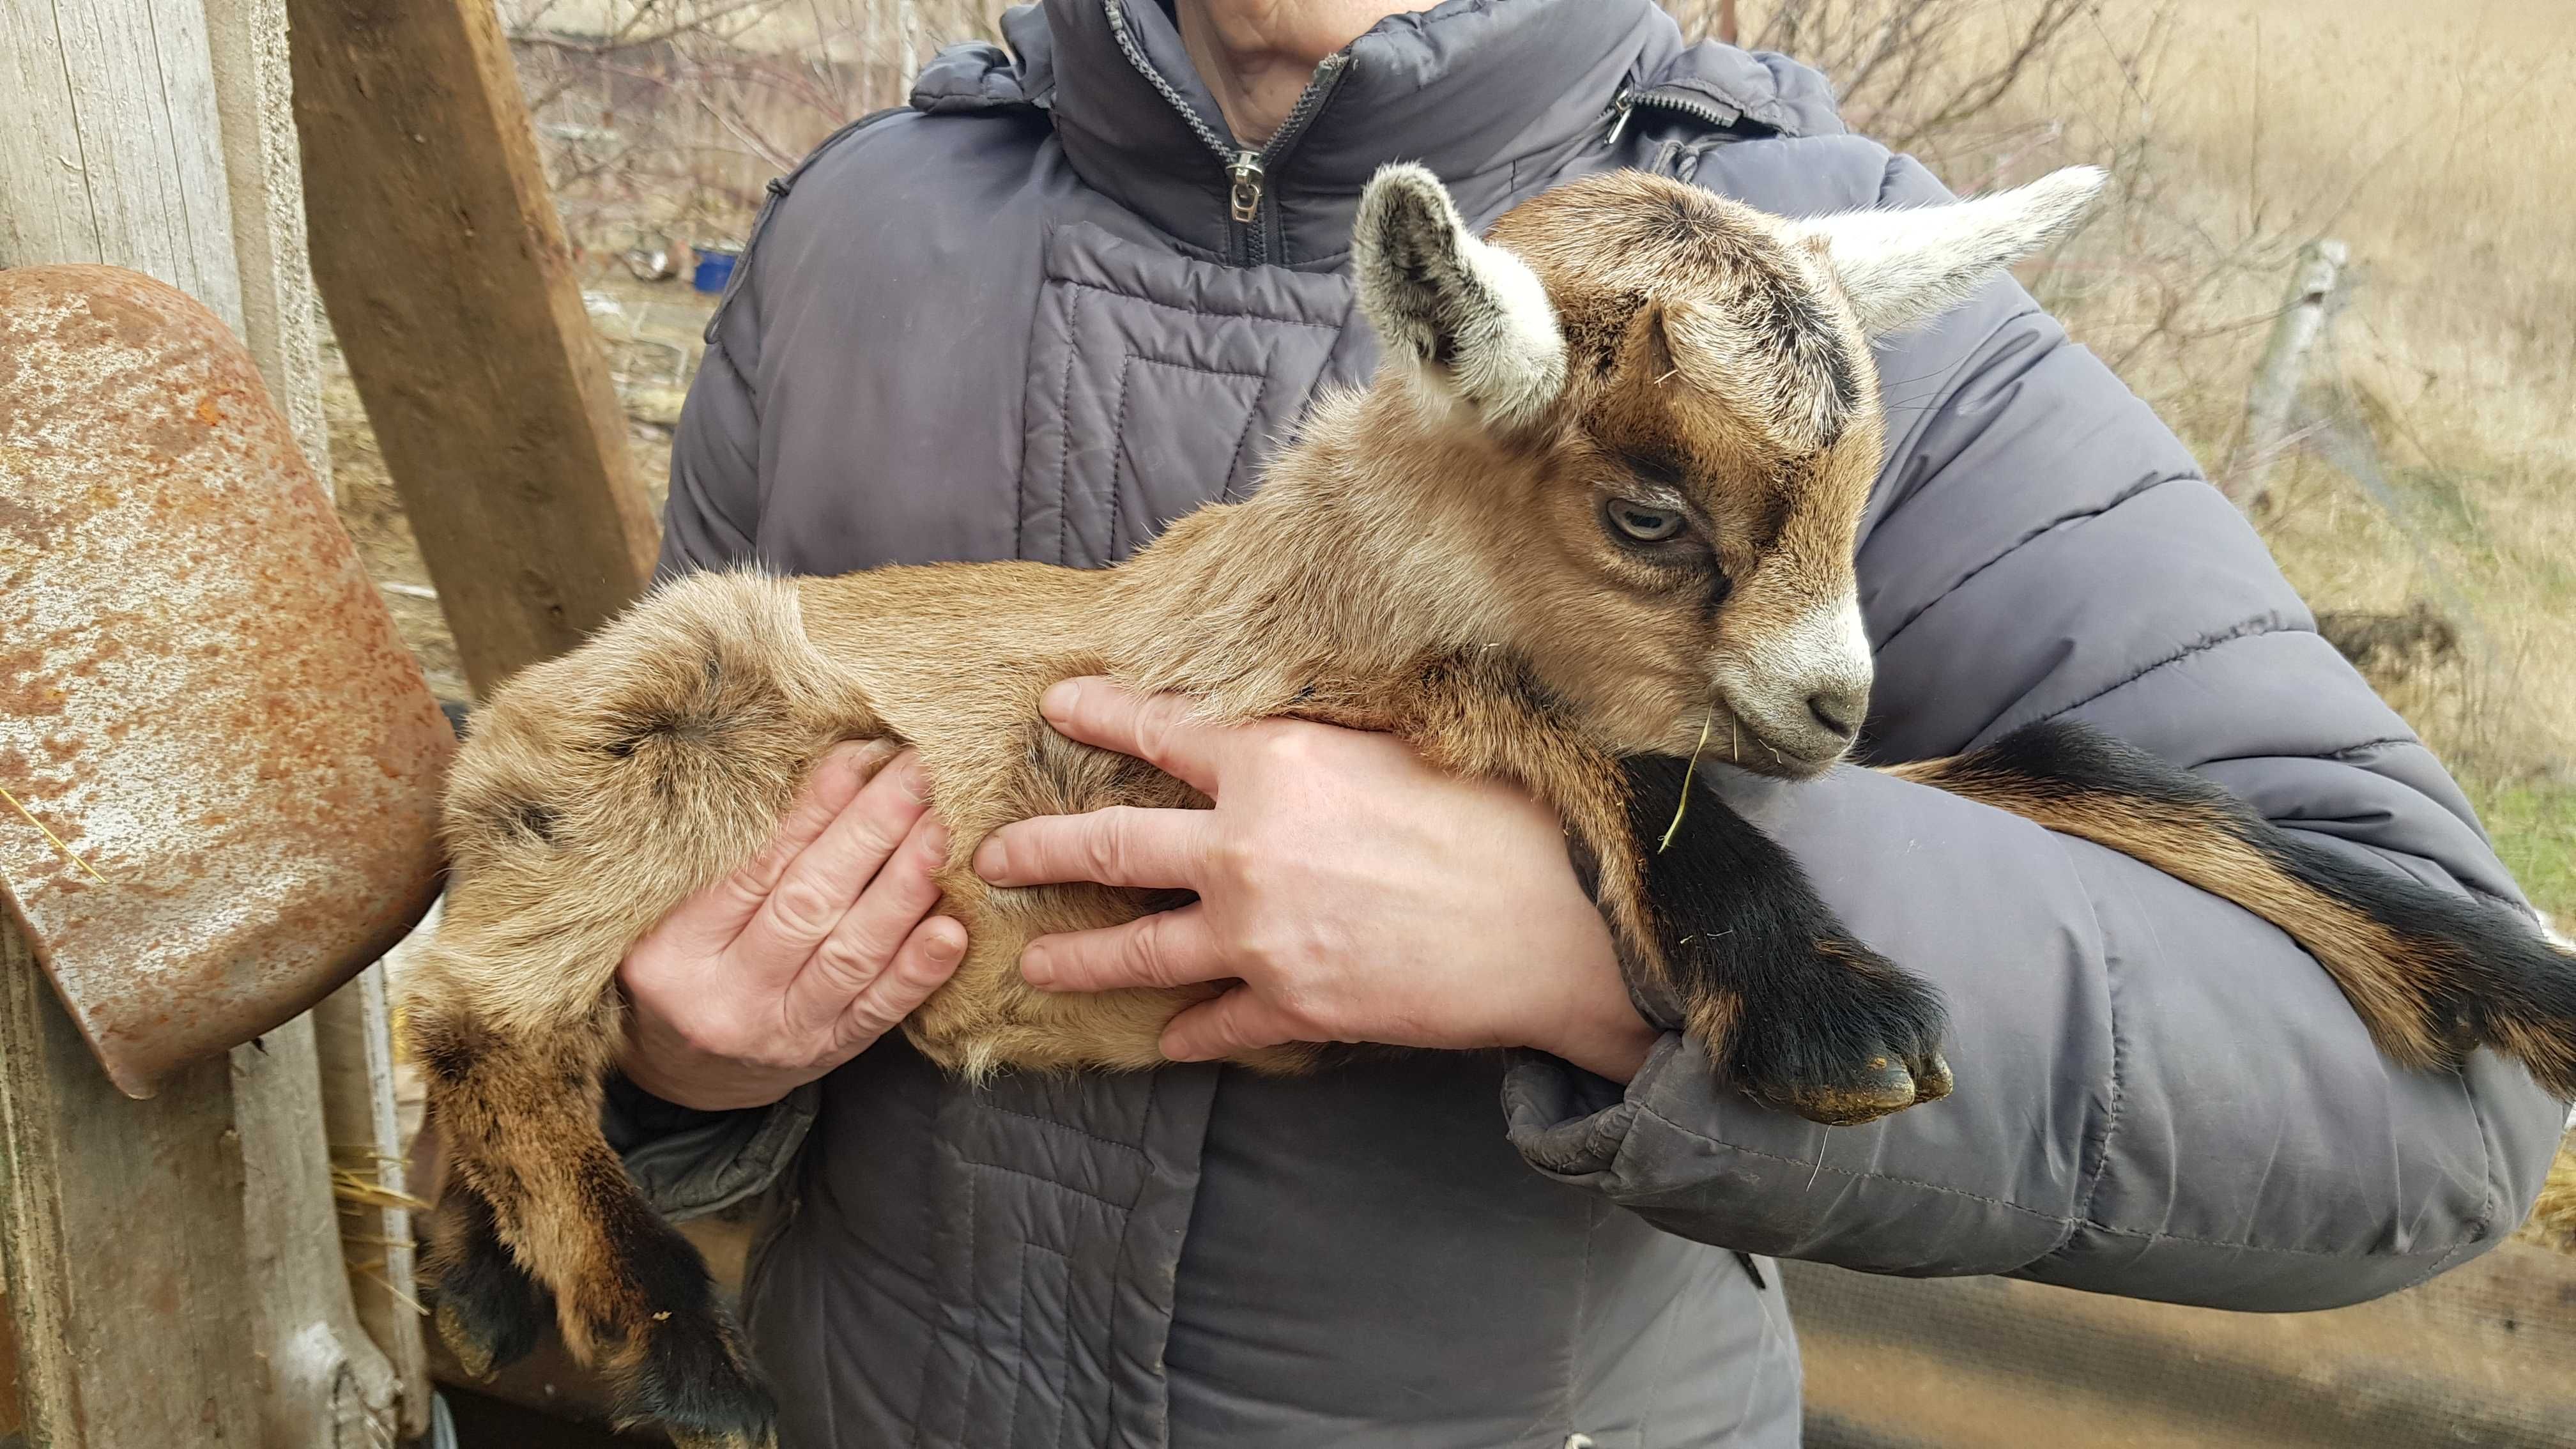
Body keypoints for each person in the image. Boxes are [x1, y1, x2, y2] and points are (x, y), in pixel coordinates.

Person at [602, 2, 2568, 1444]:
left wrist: (1599, 937)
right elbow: (635, 880)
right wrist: (672, 1073)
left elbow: (2429, 1121)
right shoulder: (859, 231)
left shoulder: (1834, 312)